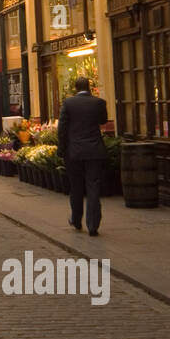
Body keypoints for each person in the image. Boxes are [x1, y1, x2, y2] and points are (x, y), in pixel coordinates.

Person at [58, 77, 109, 236]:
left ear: (75, 87)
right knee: (93, 186)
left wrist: (61, 149)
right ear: (90, 87)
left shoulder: (68, 103)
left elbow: (62, 128)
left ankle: (76, 219)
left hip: (74, 151)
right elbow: (103, 120)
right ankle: (93, 225)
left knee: (76, 187)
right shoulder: (99, 103)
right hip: (94, 150)